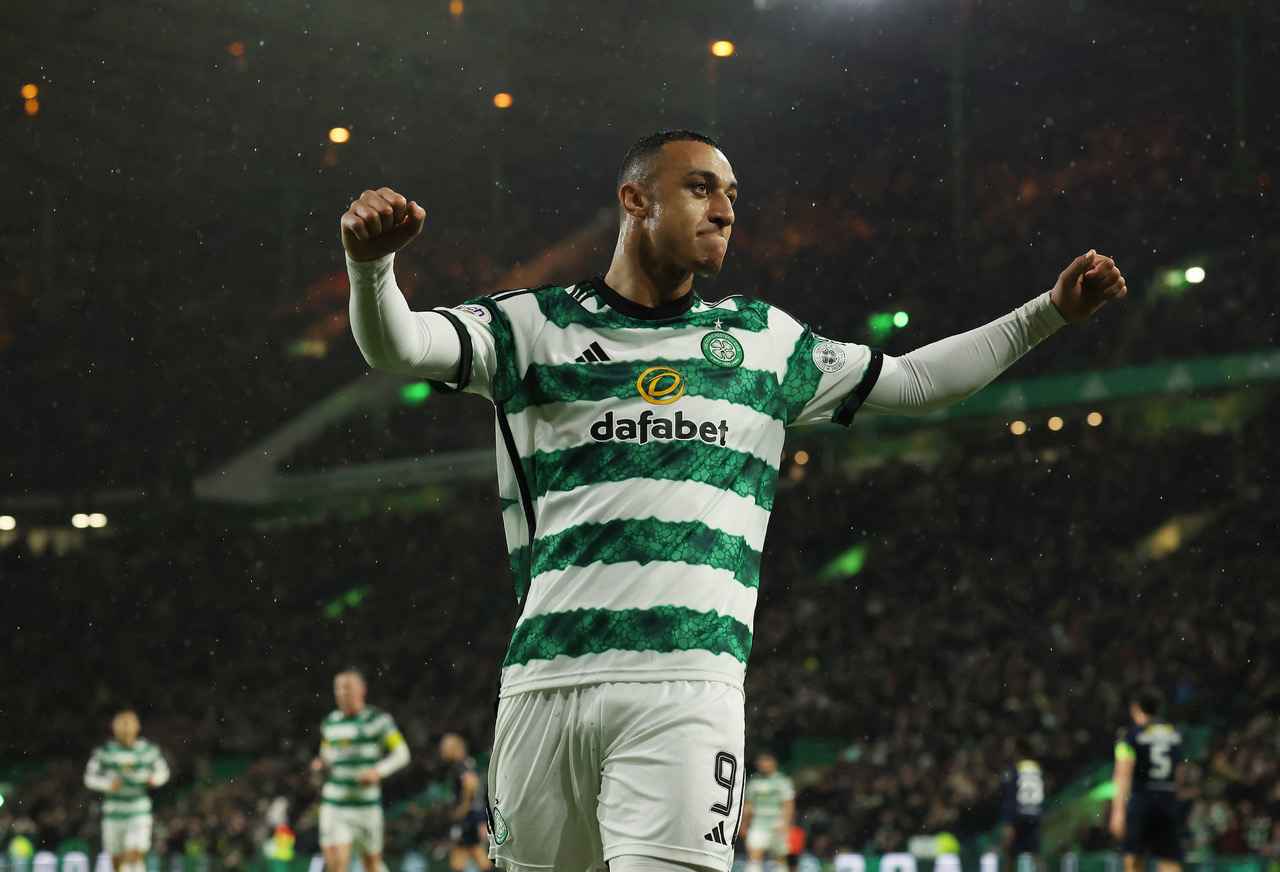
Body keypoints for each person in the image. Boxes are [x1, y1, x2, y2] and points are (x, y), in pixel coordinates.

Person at [341, 129, 1127, 872]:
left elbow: (918, 383)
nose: (724, 210)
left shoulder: (764, 341)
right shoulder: (530, 325)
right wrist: (371, 268)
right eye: (700, 188)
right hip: (541, 685)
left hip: (685, 687)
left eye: (732, 195)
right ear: (635, 200)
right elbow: (397, 345)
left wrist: (1048, 312)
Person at [309, 669, 410, 872]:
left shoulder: (378, 720)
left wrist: (378, 771)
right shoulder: (330, 723)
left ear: (362, 690)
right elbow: (327, 754)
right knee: (337, 865)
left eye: (348, 687)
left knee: (371, 865)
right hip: (335, 805)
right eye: (338, 687)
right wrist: (320, 763)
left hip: (367, 807)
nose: (342, 692)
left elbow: (402, 753)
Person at [83, 710, 171, 872]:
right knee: (116, 857)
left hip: (138, 810)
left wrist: (154, 779)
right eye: (121, 725)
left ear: (137, 727)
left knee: (134, 851)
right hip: (113, 811)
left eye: (128, 724)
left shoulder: (147, 750)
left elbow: (163, 772)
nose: (125, 729)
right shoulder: (104, 752)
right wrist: (107, 785)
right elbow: (89, 777)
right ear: (113, 727)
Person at [1110, 688, 1184, 872]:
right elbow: (1179, 772)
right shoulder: (1174, 735)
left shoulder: (1130, 735)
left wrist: (1118, 811)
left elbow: (1123, 773)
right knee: (1168, 859)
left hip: (1142, 801)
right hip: (1167, 800)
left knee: (1134, 857)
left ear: (1136, 708)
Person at [439, 733, 493, 871]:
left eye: (445, 746)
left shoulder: (461, 764)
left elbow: (470, 783)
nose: (442, 750)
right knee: (472, 853)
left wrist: (463, 808)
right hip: (473, 816)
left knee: (464, 854)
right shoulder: (465, 762)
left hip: (468, 818)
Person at [740, 751, 795, 872]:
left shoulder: (782, 781)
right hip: (758, 824)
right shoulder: (753, 782)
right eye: (761, 761)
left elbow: (788, 804)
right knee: (754, 857)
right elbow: (748, 804)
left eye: (766, 760)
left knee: (780, 859)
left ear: (774, 763)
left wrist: (785, 823)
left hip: (777, 824)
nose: (763, 764)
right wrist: (744, 823)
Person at [1001, 738, 1044, 872]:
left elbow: (1011, 797)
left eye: (1010, 747)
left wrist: (1009, 822)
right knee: (1036, 856)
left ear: (1017, 749)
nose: (1007, 750)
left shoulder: (1013, 769)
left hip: (1018, 817)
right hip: (1034, 815)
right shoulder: (1036, 767)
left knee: (1010, 857)